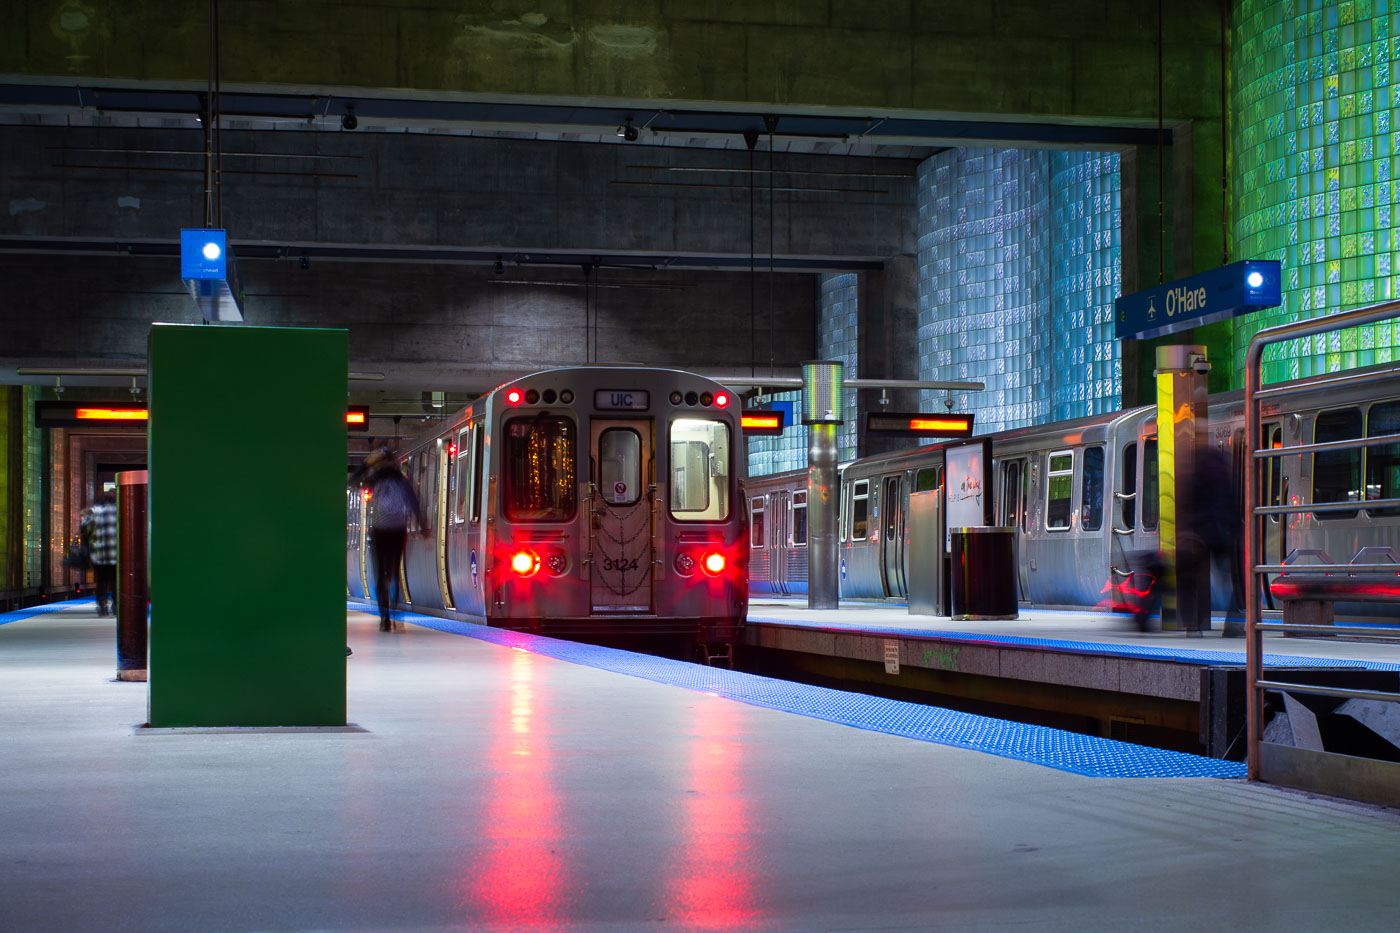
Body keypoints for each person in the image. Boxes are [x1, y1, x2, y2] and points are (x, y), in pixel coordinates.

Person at [356, 447, 427, 632]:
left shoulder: (375, 479)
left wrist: (366, 464)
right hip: (398, 531)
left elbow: (354, 480)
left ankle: (384, 617)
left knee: (381, 574)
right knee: (395, 571)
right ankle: (396, 613)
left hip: (380, 531)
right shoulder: (402, 482)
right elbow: (414, 503)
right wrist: (422, 526)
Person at [82, 491, 119, 617]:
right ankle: (116, 605)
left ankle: (102, 606)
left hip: (99, 554)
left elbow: (85, 529)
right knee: (115, 581)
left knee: (101, 581)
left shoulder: (94, 511)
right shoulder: (119, 511)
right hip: (116, 554)